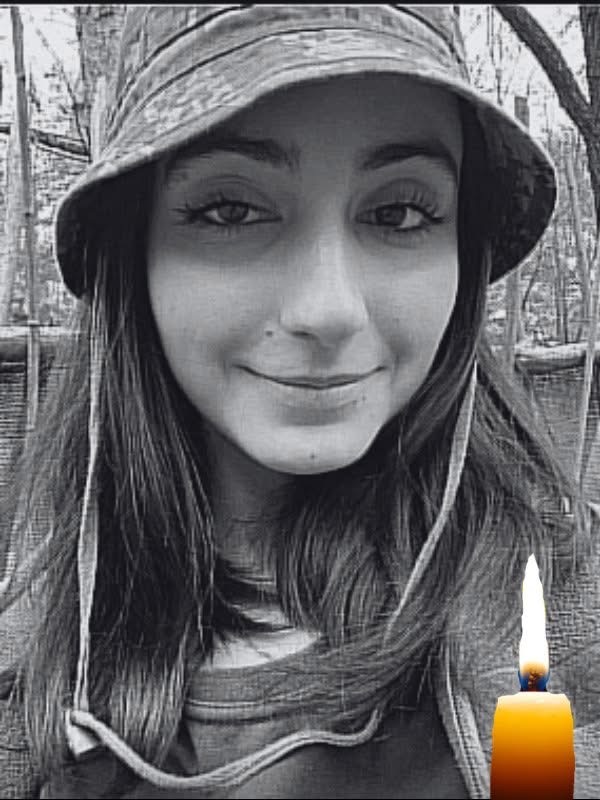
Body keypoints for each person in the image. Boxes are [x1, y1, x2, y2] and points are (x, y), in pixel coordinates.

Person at [1, 5, 599, 798]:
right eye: (231, 210)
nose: (329, 309)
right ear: (132, 251)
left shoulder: (569, 614)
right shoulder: (30, 650)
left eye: (399, 213)